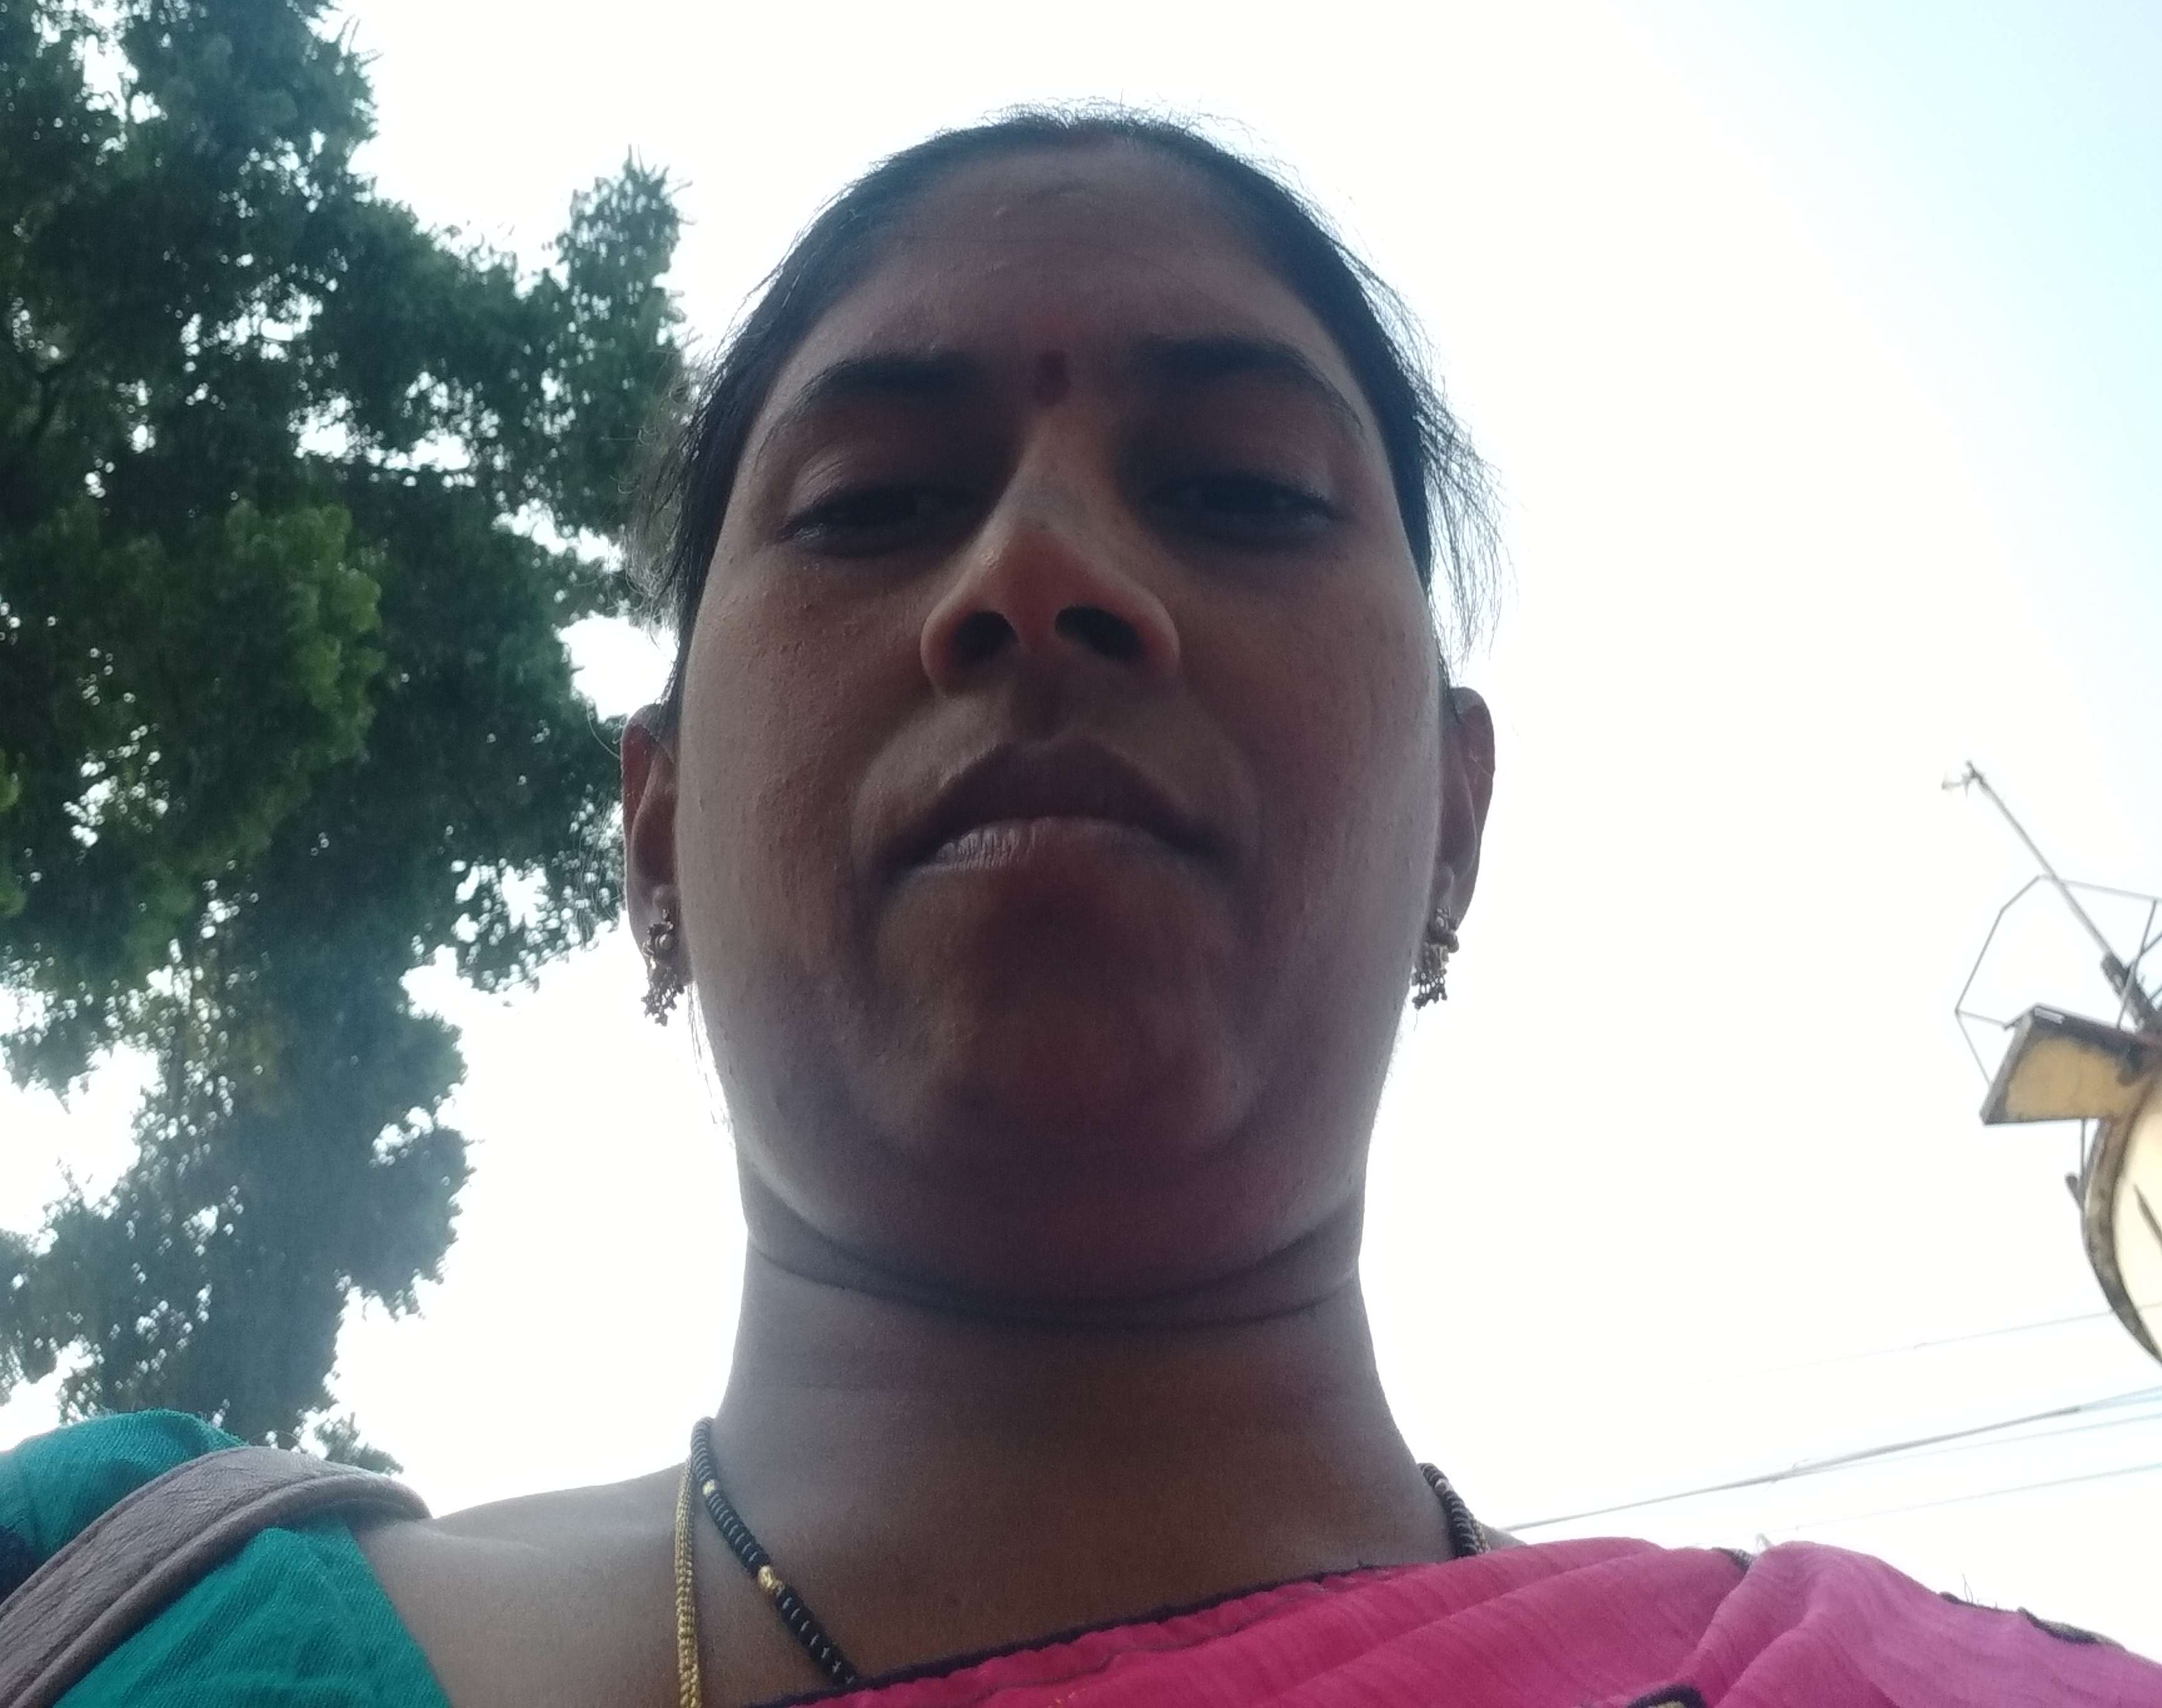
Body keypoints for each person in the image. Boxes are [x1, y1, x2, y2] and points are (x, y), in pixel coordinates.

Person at [3, 109, 2155, 1707]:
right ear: (652, 839)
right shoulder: (98, 1605)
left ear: (1456, 820)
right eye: (872, 506)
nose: (1042, 572)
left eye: (1238, 490)